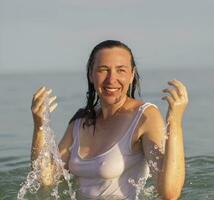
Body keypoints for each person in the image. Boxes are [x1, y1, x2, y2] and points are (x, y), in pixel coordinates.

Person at [31, 40, 188, 200]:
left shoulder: (144, 116)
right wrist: (39, 126)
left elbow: (169, 192)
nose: (111, 79)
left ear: (132, 75)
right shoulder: (80, 121)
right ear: (91, 74)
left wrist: (175, 122)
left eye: (121, 70)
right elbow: (46, 179)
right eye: (103, 70)